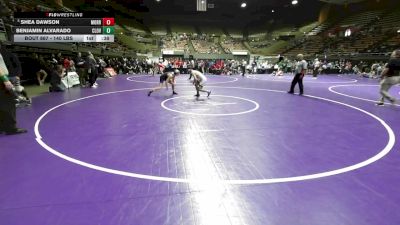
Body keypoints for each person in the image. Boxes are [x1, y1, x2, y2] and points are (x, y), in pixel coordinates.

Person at [0, 51, 27, 135]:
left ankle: (2, 127)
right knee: (9, 103)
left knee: (1, 103)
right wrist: (5, 80)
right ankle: (11, 128)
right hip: (1, 80)